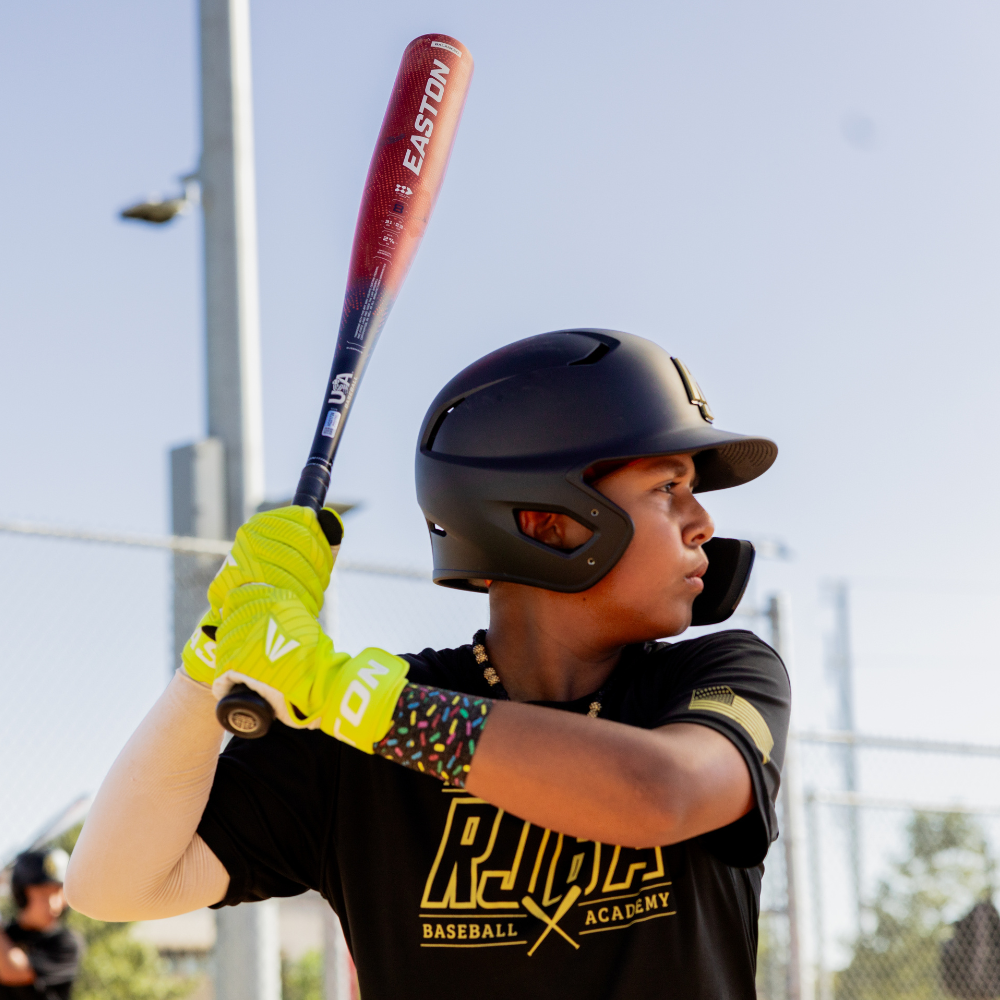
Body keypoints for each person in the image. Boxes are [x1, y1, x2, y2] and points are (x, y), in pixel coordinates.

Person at [66, 330, 789, 999]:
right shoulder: (356, 737)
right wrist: (208, 665)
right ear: (544, 520)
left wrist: (357, 700)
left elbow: (660, 793)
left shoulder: (716, 676)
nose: (704, 522)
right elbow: (115, 886)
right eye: (668, 488)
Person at [1, 849, 81, 1000]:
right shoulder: (6, 936)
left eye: (58, 892)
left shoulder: (64, 942)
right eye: (44, 894)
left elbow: (12, 970)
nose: (54, 905)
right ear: (22, 894)